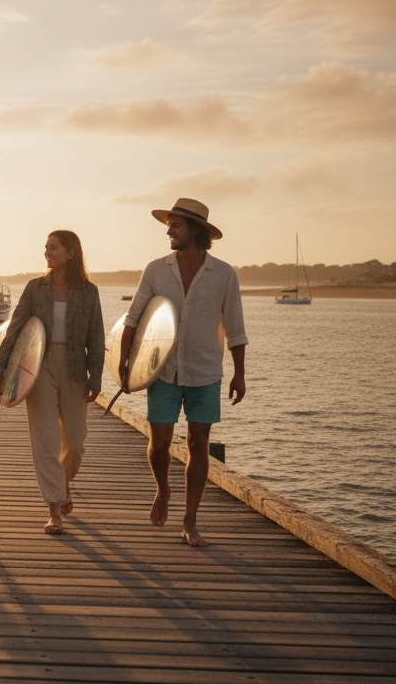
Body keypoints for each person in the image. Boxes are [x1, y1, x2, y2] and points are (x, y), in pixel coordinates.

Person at [120, 198, 247, 547]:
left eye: (175, 226)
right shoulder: (156, 270)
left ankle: (190, 519)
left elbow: (235, 328)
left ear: (195, 230)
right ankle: (163, 489)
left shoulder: (224, 274)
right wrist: (125, 362)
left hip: (205, 371)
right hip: (162, 370)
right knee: (159, 444)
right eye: (169, 225)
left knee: (198, 443)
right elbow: (133, 318)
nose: (169, 232)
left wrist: (239, 374)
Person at [0, 230, 105, 534]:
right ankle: (54, 509)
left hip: (75, 368)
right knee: (46, 441)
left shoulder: (89, 291)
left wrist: (95, 376)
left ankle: (62, 484)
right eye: (46, 247)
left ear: (71, 252)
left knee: (76, 443)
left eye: (54, 248)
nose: (47, 252)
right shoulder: (35, 288)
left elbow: (96, 338)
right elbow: (15, 329)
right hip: (37, 366)